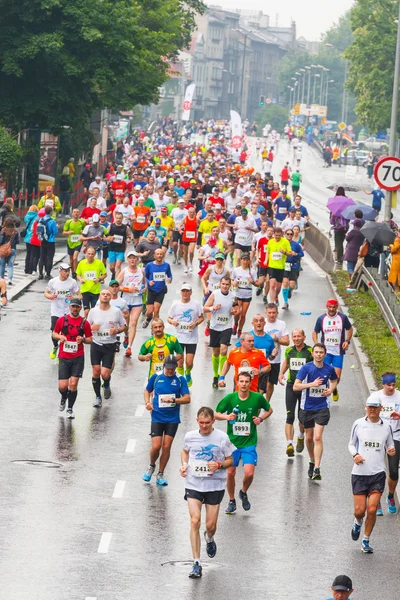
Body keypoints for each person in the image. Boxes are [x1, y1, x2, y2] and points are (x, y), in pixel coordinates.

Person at [180, 406, 235, 579]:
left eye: (207, 423)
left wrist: (218, 465)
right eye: (201, 423)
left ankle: (209, 538)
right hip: (194, 483)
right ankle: (196, 563)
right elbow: (185, 451)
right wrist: (183, 465)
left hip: (214, 485)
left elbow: (230, 460)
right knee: (195, 521)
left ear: (213, 421)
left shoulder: (222, 438)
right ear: (197, 421)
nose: (204, 426)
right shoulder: (190, 436)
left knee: (210, 526)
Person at [215, 372, 272, 514]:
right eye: (241, 381)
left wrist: (261, 419)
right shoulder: (230, 398)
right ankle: (231, 500)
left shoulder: (257, 397)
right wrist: (227, 416)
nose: (244, 384)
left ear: (250, 382)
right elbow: (216, 414)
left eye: (247, 381)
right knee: (230, 472)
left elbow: (269, 410)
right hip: (232, 443)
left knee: (249, 473)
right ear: (237, 382)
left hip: (249, 442)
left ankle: (243, 492)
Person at [349, 395, 396, 553]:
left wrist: (391, 450)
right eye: (370, 407)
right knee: (359, 510)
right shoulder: (358, 424)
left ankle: (366, 540)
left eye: (376, 407)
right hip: (360, 473)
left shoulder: (387, 426)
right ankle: (357, 522)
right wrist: (355, 455)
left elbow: (390, 444)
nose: (373, 410)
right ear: (366, 408)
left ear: (380, 408)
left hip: (378, 473)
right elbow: (351, 444)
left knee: (372, 508)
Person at [142, 355, 190, 486]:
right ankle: (151, 466)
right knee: (156, 446)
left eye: (172, 369)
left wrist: (174, 400)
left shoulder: (180, 379)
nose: (170, 371)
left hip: (172, 419)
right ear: (164, 366)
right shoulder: (156, 376)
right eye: (168, 368)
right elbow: (147, 390)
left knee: (167, 446)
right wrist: (147, 403)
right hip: (157, 416)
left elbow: (187, 398)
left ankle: (160, 473)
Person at [293, 343, 338, 481]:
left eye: (321, 352)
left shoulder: (329, 368)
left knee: (318, 437)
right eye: (316, 352)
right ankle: (312, 460)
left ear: (325, 354)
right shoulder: (306, 368)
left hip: (322, 407)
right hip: (307, 407)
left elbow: (334, 380)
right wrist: (311, 384)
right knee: (309, 438)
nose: (318, 354)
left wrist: (331, 389)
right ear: (312, 353)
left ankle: (317, 468)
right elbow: (295, 386)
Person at [52, 297, 92, 418]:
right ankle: (64, 396)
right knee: (63, 386)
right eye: (73, 306)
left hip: (78, 357)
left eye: (77, 307)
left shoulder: (84, 322)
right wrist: (60, 337)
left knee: (73, 384)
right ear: (70, 307)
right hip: (64, 357)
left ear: (80, 308)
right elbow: (54, 333)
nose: (75, 309)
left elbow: (90, 339)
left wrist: (83, 339)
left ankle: (70, 408)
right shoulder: (62, 320)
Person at [367, 372, 400, 515]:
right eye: (389, 385)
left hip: (395, 435)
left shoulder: (399, 396)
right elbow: (368, 415)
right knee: (377, 470)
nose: (391, 388)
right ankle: (376, 500)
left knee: (393, 471)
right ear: (383, 384)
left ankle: (390, 496)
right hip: (377, 436)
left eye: (393, 385)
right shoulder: (375, 397)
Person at [87, 289, 127, 406]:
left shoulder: (116, 311)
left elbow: (124, 326)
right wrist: (91, 328)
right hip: (96, 344)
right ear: (99, 297)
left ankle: (107, 384)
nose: (105, 296)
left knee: (105, 373)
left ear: (111, 298)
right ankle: (98, 397)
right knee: (96, 372)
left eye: (108, 295)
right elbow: (86, 326)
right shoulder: (93, 311)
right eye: (103, 294)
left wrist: (117, 330)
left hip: (109, 345)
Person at [279, 329, 313, 456]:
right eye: (294, 336)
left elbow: (315, 365)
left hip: (304, 387)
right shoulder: (289, 350)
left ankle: (300, 436)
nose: (297, 338)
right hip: (291, 385)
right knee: (289, 416)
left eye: (299, 336)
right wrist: (281, 373)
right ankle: (289, 444)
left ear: (304, 337)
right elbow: (287, 363)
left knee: (301, 418)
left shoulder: (310, 351)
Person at [312, 298, 353, 402]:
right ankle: (324, 395)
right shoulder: (321, 319)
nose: (331, 309)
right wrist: (317, 344)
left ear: (337, 307)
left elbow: (350, 329)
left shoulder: (342, 318)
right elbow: (315, 332)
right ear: (327, 307)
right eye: (330, 307)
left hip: (338, 351)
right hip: (325, 352)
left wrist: (347, 341)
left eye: (334, 307)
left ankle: (333, 388)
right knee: (323, 375)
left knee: (337, 376)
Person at [203, 276, 238, 389]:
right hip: (215, 326)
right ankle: (215, 375)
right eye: (223, 284)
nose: (225, 286)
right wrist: (213, 308)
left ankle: (222, 377)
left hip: (226, 326)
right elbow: (205, 308)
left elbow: (237, 308)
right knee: (216, 352)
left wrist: (234, 311)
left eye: (227, 284)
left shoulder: (233, 296)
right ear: (220, 284)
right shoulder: (215, 294)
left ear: (230, 285)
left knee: (224, 350)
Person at [167, 283, 204, 387]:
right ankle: (181, 378)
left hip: (192, 338)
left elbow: (201, 317)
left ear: (191, 292)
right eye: (183, 291)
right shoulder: (176, 305)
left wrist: (195, 323)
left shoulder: (196, 304)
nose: (185, 293)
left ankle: (188, 372)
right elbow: (169, 318)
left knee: (189, 362)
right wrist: (172, 322)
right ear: (181, 292)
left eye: (187, 291)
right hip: (179, 337)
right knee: (179, 362)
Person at [44, 263, 79, 359]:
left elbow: (80, 296)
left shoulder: (72, 282)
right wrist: (50, 296)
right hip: (56, 311)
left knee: (66, 333)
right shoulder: (53, 282)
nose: (67, 273)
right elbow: (46, 293)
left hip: (68, 312)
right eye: (65, 271)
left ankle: (61, 353)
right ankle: (55, 346)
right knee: (54, 332)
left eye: (69, 271)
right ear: (60, 271)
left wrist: (73, 297)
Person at [117, 251, 146, 357]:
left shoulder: (141, 271)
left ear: (137, 260)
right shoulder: (124, 272)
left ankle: (129, 347)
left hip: (137, 301)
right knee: (125, 324)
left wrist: (144, 289)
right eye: (130, 258)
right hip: (125, 301)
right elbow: (116, 286)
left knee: (133, 323)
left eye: (134, 258)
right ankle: (126, 336)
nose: (132, 260)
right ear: (128, 260)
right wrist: (127, 289)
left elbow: (144, 284)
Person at [263, 303, 289, 402]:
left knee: (270, 383)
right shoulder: (261, 322)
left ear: (277, 313)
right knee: (262, 383)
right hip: (262, 358)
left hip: (275, 360)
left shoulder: (281, 324)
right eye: (269, 313)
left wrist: (277, 339)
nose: (271, 315)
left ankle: (266, 402)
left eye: (274, 313)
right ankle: (260, 402)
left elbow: (287, 342)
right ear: (266, 313)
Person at [142, 248, 172, 327]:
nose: (159, 256)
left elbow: (170, 275)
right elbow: (145, 277)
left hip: (161, 290)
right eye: (157, 254)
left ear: (163, 255)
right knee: (149, 312)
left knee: (156, 310)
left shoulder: (166, 265)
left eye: (161, 254)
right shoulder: (149, 265)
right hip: (151, 290)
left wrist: (169, 279)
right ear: (154, 256)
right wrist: (149, 282)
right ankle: (148, 319)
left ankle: (154, 329)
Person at [231, 253, 259, 336]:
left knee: (243, 314)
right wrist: (234, 283)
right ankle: (235, 324)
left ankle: (240, 329)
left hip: (247, 294)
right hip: (238, 294)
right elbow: (231, 280)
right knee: (237, 313)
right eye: (243, 260)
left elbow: (257, 284)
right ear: (241, 260)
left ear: (249, 261)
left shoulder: (252, 271)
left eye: (247, 260)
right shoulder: (236, 270)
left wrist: (252, 282)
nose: (245, 262)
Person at [264, 227, 292, 305]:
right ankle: (272, 304)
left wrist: (284, 252)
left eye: (279, 235)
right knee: (272, 285)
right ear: (274, 234)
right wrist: (266, 260)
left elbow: (290, 254)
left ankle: (276, 296)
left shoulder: (285, 242)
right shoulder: (270, 242)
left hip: (281, 267)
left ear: (281, 234)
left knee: (278, 287)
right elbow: (268, 252)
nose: (277, 237)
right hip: (272, 266)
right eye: (276, 235)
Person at [76, 246, 107, 316]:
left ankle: (92, 326)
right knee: (86, 311)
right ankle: (86, 325)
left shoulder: (99, 263)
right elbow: (77, 274)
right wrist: (80, 279)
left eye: (92, 254)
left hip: (95, 291)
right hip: (85, 290)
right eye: (89, 253)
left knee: (94, 311)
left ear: (95, 254)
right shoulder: (81, 263)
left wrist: (99, 279)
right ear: (86, 253)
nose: (90, 255)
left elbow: (105, 274)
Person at [281, 229, 304, 309]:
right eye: (288, 234)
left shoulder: (296, 245)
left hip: (293, 266)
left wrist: (296, 254)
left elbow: (302, 254)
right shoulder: (282, 243)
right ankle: (285, 302)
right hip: (284, 265)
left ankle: (290, 290)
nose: (289, 236)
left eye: (291, 234)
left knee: (291, 285)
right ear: (285, 234)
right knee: (285, 283)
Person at [107, 211, 132, 278]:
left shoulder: (126, 227)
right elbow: (106, 235)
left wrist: (128, 239)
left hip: (121, 249)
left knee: (118, 266)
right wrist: (109, 238)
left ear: (122, 218)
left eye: (120, 218)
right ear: (115, 218)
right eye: (117, 218)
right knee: (112, 267)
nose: (118, 219)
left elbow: (129, 235)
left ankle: (116, 282)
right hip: (112, 248)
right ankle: (114, 273)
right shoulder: (111, 226)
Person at [62, 208, 86, 276]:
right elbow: (63, 232)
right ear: (72, 213)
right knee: (71, 260)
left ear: (79, 214)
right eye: (74, 212)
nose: (76, 213)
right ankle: (72, 272)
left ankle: (76, 272)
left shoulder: (82, 222)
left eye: (77, 212)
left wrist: (83, 232)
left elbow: (86, 232)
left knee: (75, 257)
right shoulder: (68, 222)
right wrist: (68, 232)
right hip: (70, 242)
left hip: (78, 242)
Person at [38, 205, 58, 280]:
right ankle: (48, 274)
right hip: (50, 241)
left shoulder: (41, 219)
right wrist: (56, 227)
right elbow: (55, 232)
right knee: (49, 257)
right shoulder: (52, 221)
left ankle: (40, 274)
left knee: (42, 257)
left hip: (43, 240)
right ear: (51, 212)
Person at [0, 218, 20, 285]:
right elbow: (18, 241)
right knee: (10, 265)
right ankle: (10, 279)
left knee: (2, 265)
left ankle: (1, 278)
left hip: (3, 250)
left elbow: (0, 241)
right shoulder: (15, 231)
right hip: (13, 249)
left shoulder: (3, 230)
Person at [24, 205, 40, 275]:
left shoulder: (26, 216)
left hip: (27, 237)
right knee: (33, 254)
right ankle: (31, 269)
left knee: (28, 253)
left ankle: (26, 269)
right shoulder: (37, 217)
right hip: (33, 237)